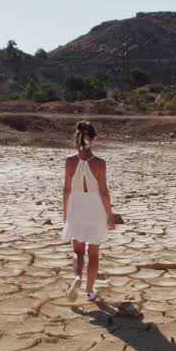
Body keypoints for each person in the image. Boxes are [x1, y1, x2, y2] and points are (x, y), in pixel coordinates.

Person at [61, 121, 114, 301]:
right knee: (93, 253)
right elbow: (104, 192)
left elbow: (66, 189)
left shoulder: (69, 161)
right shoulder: (100, 163)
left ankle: (77, 277)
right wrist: (110, 216)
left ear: (76, 140)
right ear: (93, 140)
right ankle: (90, 292)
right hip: (94, 208)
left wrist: (65, 212)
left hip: (76, 207)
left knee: (78, 251)